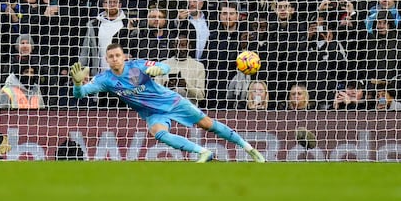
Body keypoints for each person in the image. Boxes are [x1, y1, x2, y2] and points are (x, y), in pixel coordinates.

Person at [70, 43, 266, 163]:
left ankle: (250, 149)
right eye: (111, 57)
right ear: (106, 59)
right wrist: (78, 82)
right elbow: (80, 94)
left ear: (124, 57)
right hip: (153, 114)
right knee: (158, 133)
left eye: (118, 55)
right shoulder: (105, 79)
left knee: (208, 125)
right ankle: (204, 152)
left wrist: (159, 70)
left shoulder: (137, 66)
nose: (115, 59)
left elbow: (162, 66)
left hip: (172, 101)